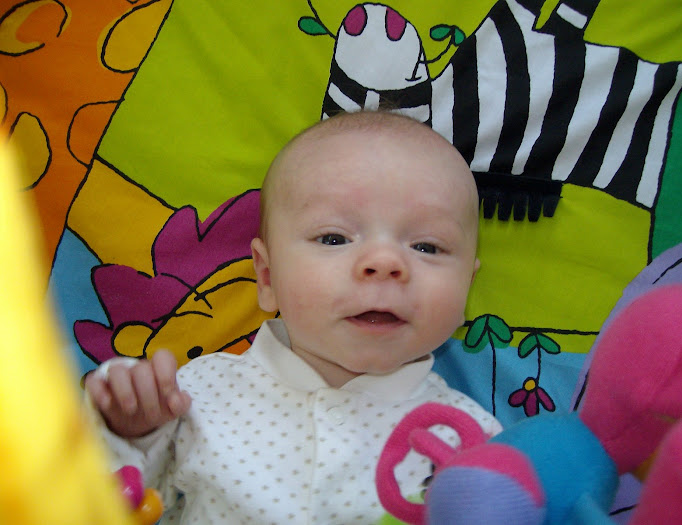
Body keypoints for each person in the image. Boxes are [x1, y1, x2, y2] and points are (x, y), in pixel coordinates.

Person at [85, 110, 501, 524]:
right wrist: (131, 434)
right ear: (267, 277)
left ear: (467, 286)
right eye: (334, 238)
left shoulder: (473, 444)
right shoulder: (195, 394)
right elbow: (97, 502)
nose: (385, 262)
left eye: (427, 247)